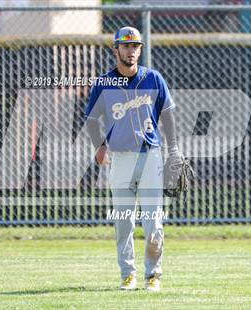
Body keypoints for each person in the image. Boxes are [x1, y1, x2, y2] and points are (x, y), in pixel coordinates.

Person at [84, 26, 181, 292]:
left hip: (150, 156)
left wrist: (173, 150)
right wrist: (99, 146)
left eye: (136, 46)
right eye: (126, 46)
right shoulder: (104, 83)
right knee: (123, 221)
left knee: (153, 221)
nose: (132, 51)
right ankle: (128, 274)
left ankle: (153, 275)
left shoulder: (153, 79)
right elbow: (91, 119)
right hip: (121, 159)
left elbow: (169, 115)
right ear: (115, 50)